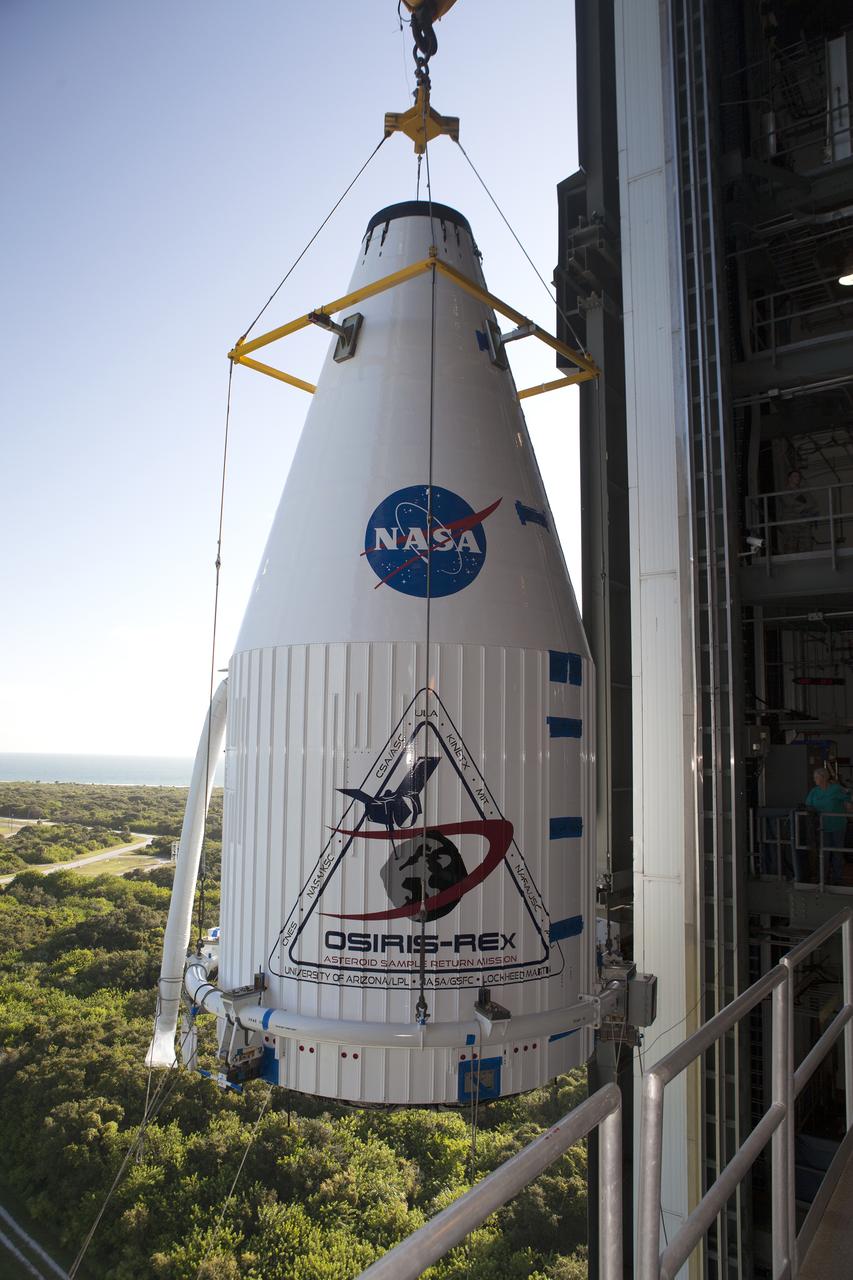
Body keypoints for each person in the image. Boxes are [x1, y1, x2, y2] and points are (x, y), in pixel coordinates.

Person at [804, 768, 851, 886]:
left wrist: (846, 792)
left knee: (837, 853)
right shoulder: (814, 791)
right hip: (822, 827)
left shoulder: (835, 789)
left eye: (816, 777)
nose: (814, 780)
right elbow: (808, 805)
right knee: (823, 853)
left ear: (824, 778)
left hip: (837, 826)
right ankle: (822, 878)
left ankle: (837, 878)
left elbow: (848, 796)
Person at [780, 469, 818, 552]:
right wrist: (804, 507)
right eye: (795, 476)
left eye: (799, 476)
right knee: (791, 544)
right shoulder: (785, 491)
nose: (798, 478)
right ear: (789, 478)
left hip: (804, 521)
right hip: (790, 521)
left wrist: (802, 507)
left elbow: (813, 503)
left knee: (807, 544)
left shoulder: (804, 492)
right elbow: (790, 503)